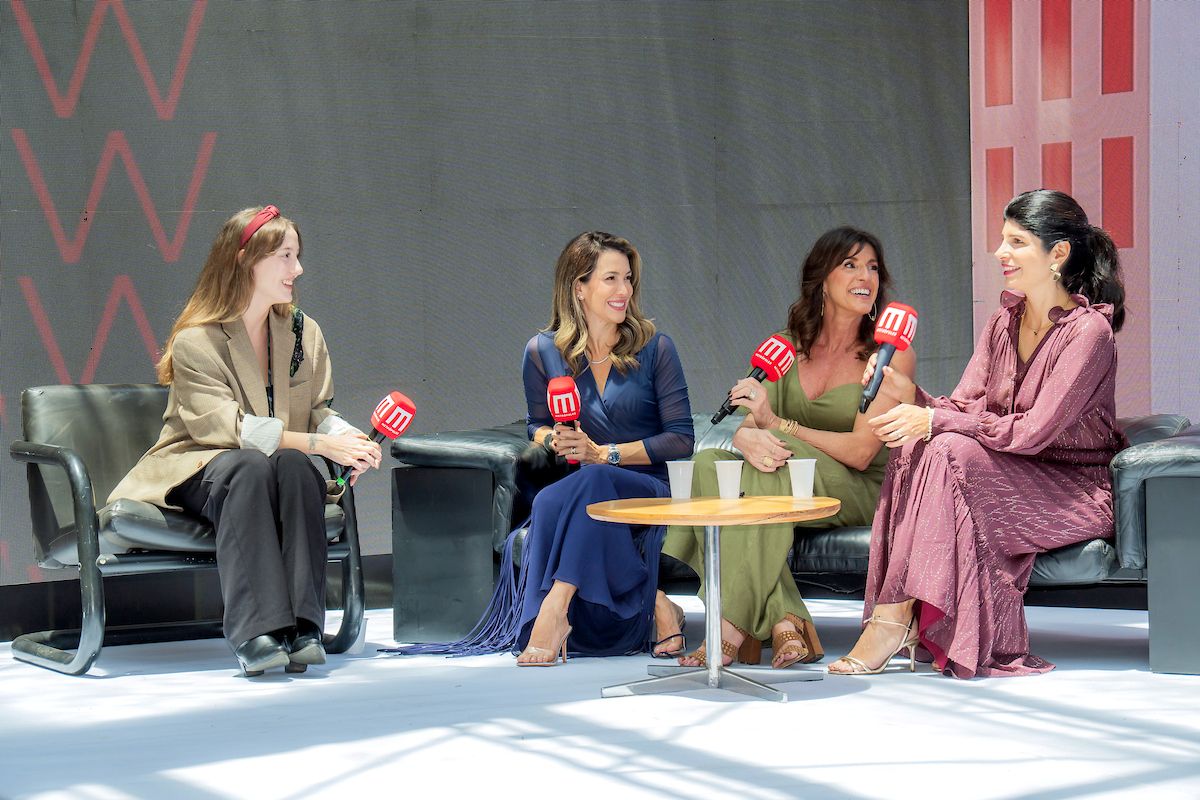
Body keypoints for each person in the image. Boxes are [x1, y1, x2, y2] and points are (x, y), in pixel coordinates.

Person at [828, 189, 1127, 678]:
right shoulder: (1002, 322)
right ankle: (894, 614)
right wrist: (912, 395)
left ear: (1057, 253)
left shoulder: (1087, 332)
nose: (1000, 252)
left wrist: (936, 420)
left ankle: (894, 618)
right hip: (1010, 471)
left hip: (1073, 489)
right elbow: (965, 407)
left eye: (1016, 241)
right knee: (919, 442)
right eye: (1001, 239)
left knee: (945, 445)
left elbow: (1034, 432)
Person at [394, 231, 694, 664]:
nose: (624, 291)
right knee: (556, 497)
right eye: (610, 279)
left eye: (627, 279)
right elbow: (536, 424)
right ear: (579, 286)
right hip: (585, 489)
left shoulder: (656, 348)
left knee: (571, 492)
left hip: (646, 487)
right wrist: (553, 439)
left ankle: (552, 609)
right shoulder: (541, 352)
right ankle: (657, 603)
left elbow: (682, 439)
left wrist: (604, 453)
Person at [108, 205, 382, 676]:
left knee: (296, 468)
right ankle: (255, 632)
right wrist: (319, 444)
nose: (298, 269)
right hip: (201, 468)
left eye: (297, 256)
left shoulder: (302, 333)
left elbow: (318, 409)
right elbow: (228, 429)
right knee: (251, 465)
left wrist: (346, 438)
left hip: (271, 468)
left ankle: (301, 627)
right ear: (246, 259)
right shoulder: (198, 341)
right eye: (285, 256)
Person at [662, 227, 915, 669]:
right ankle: (784, 621)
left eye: (873, 267)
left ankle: (730, 627)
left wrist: (779, 425)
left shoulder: (888, 353)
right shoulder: (786, 344)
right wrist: (744, 434)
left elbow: (859, 451)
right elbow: (751, 424)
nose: (866, 276)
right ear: (821, 279)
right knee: (708, 465)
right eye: (851, 264)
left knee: (774, 464)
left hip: (859, 485)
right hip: (787, 473)